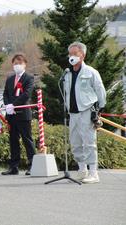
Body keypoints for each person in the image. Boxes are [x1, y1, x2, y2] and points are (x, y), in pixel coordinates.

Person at [64, 42, 106, 184]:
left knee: (89, 142)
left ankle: (94, 173)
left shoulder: (91, 72)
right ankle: (82, 170)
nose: (72, 56)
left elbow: (100, 90)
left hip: (87, 111)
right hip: (73, 113)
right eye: (70, 54)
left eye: (75, 53)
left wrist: (100, 109)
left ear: (83, 55)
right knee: (75, 142)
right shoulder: (68, 73)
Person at [1, 54, 35, 176]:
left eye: (19, 63)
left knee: (27, 140)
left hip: (23, 114)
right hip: (11, 114)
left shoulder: (29, 78)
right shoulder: (10, 79)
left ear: (25, 64)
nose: (17, 65)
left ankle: (33, 165)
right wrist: (7, 105)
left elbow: (26, 94)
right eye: (15, 63)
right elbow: (5, 93)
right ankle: (13, 167)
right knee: (13, 140)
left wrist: (14, 104)